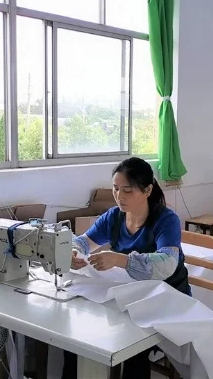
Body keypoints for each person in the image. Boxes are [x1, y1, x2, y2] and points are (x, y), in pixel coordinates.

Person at [65, 157, 190, 379]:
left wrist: (121, 260)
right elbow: (84, 242)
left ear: (148, 190)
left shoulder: (165, 219)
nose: (119, 196)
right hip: (131, 297)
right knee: (76, 336)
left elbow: (167, 264)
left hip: (166, 299)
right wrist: (72, 251)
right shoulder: (114, 217)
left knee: (133, 348)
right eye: (115, 189)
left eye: (127, 191)